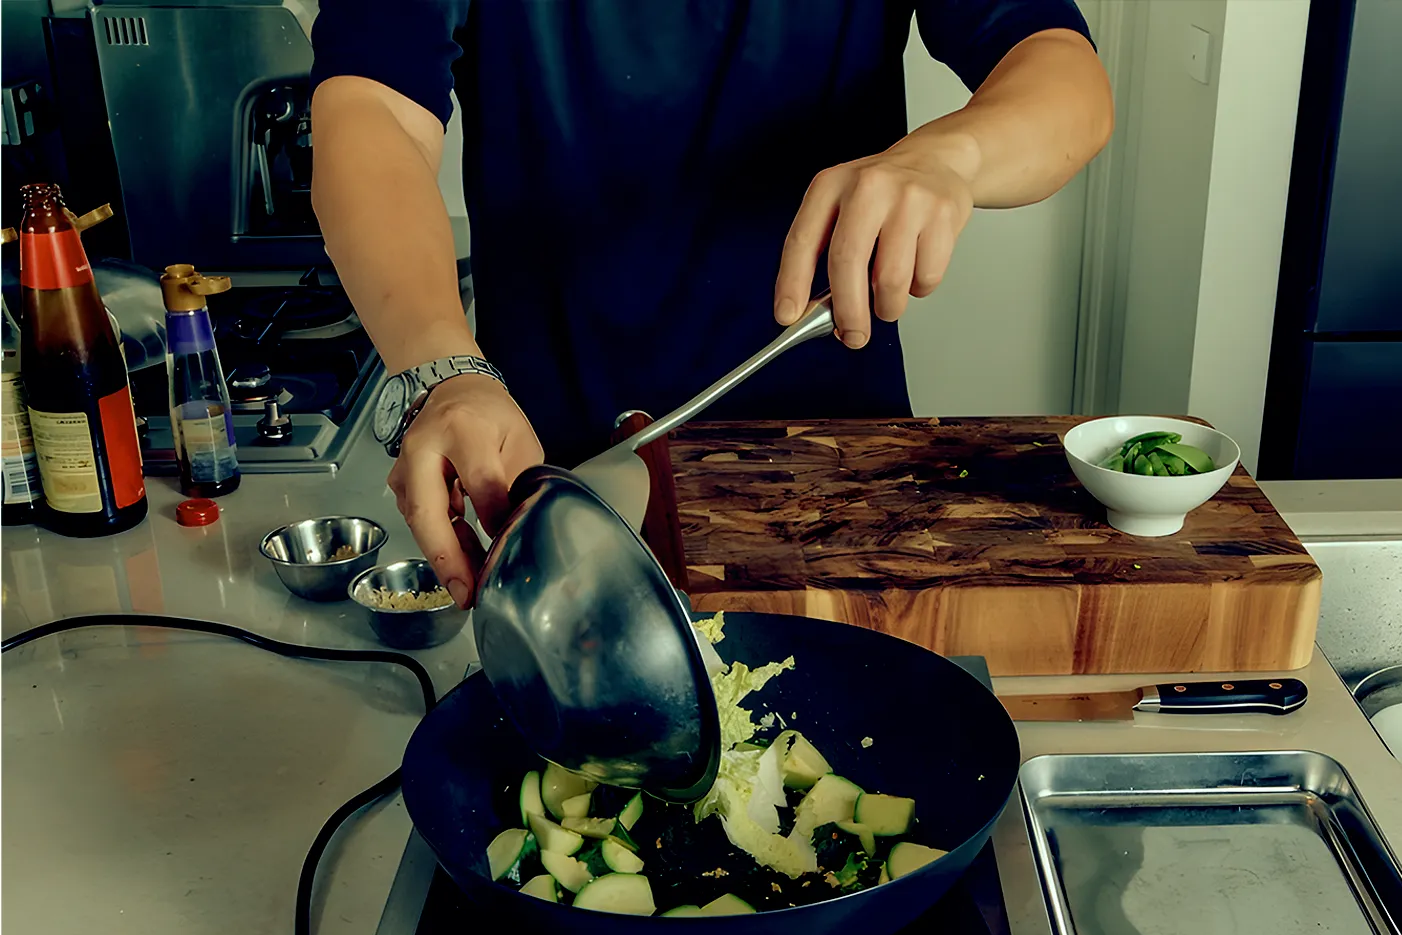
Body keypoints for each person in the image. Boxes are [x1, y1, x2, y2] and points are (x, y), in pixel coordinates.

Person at [310, 0, 1113, 607]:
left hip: (830, 466)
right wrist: (443, 371)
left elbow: (1060, 69)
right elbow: (370, 110)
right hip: (544, 470)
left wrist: (953, 154)